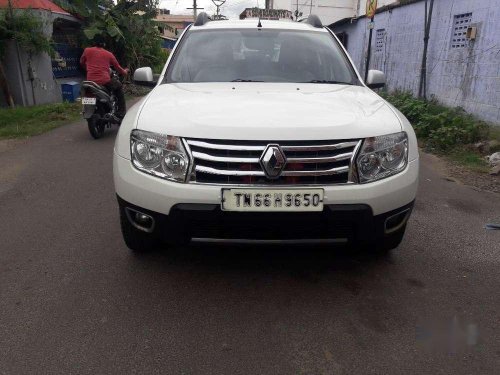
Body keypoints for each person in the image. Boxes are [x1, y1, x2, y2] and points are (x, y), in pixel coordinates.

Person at [80, 38, 129, 119]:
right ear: (104, 45)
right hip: (104, 81)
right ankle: (121, 113)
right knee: (119, 87)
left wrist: (87, 68)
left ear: (94, 43)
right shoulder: (109, 54)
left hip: (90, 81)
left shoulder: (87, 50)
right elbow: (118, 68)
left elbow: (81, 62)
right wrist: (125, 71)